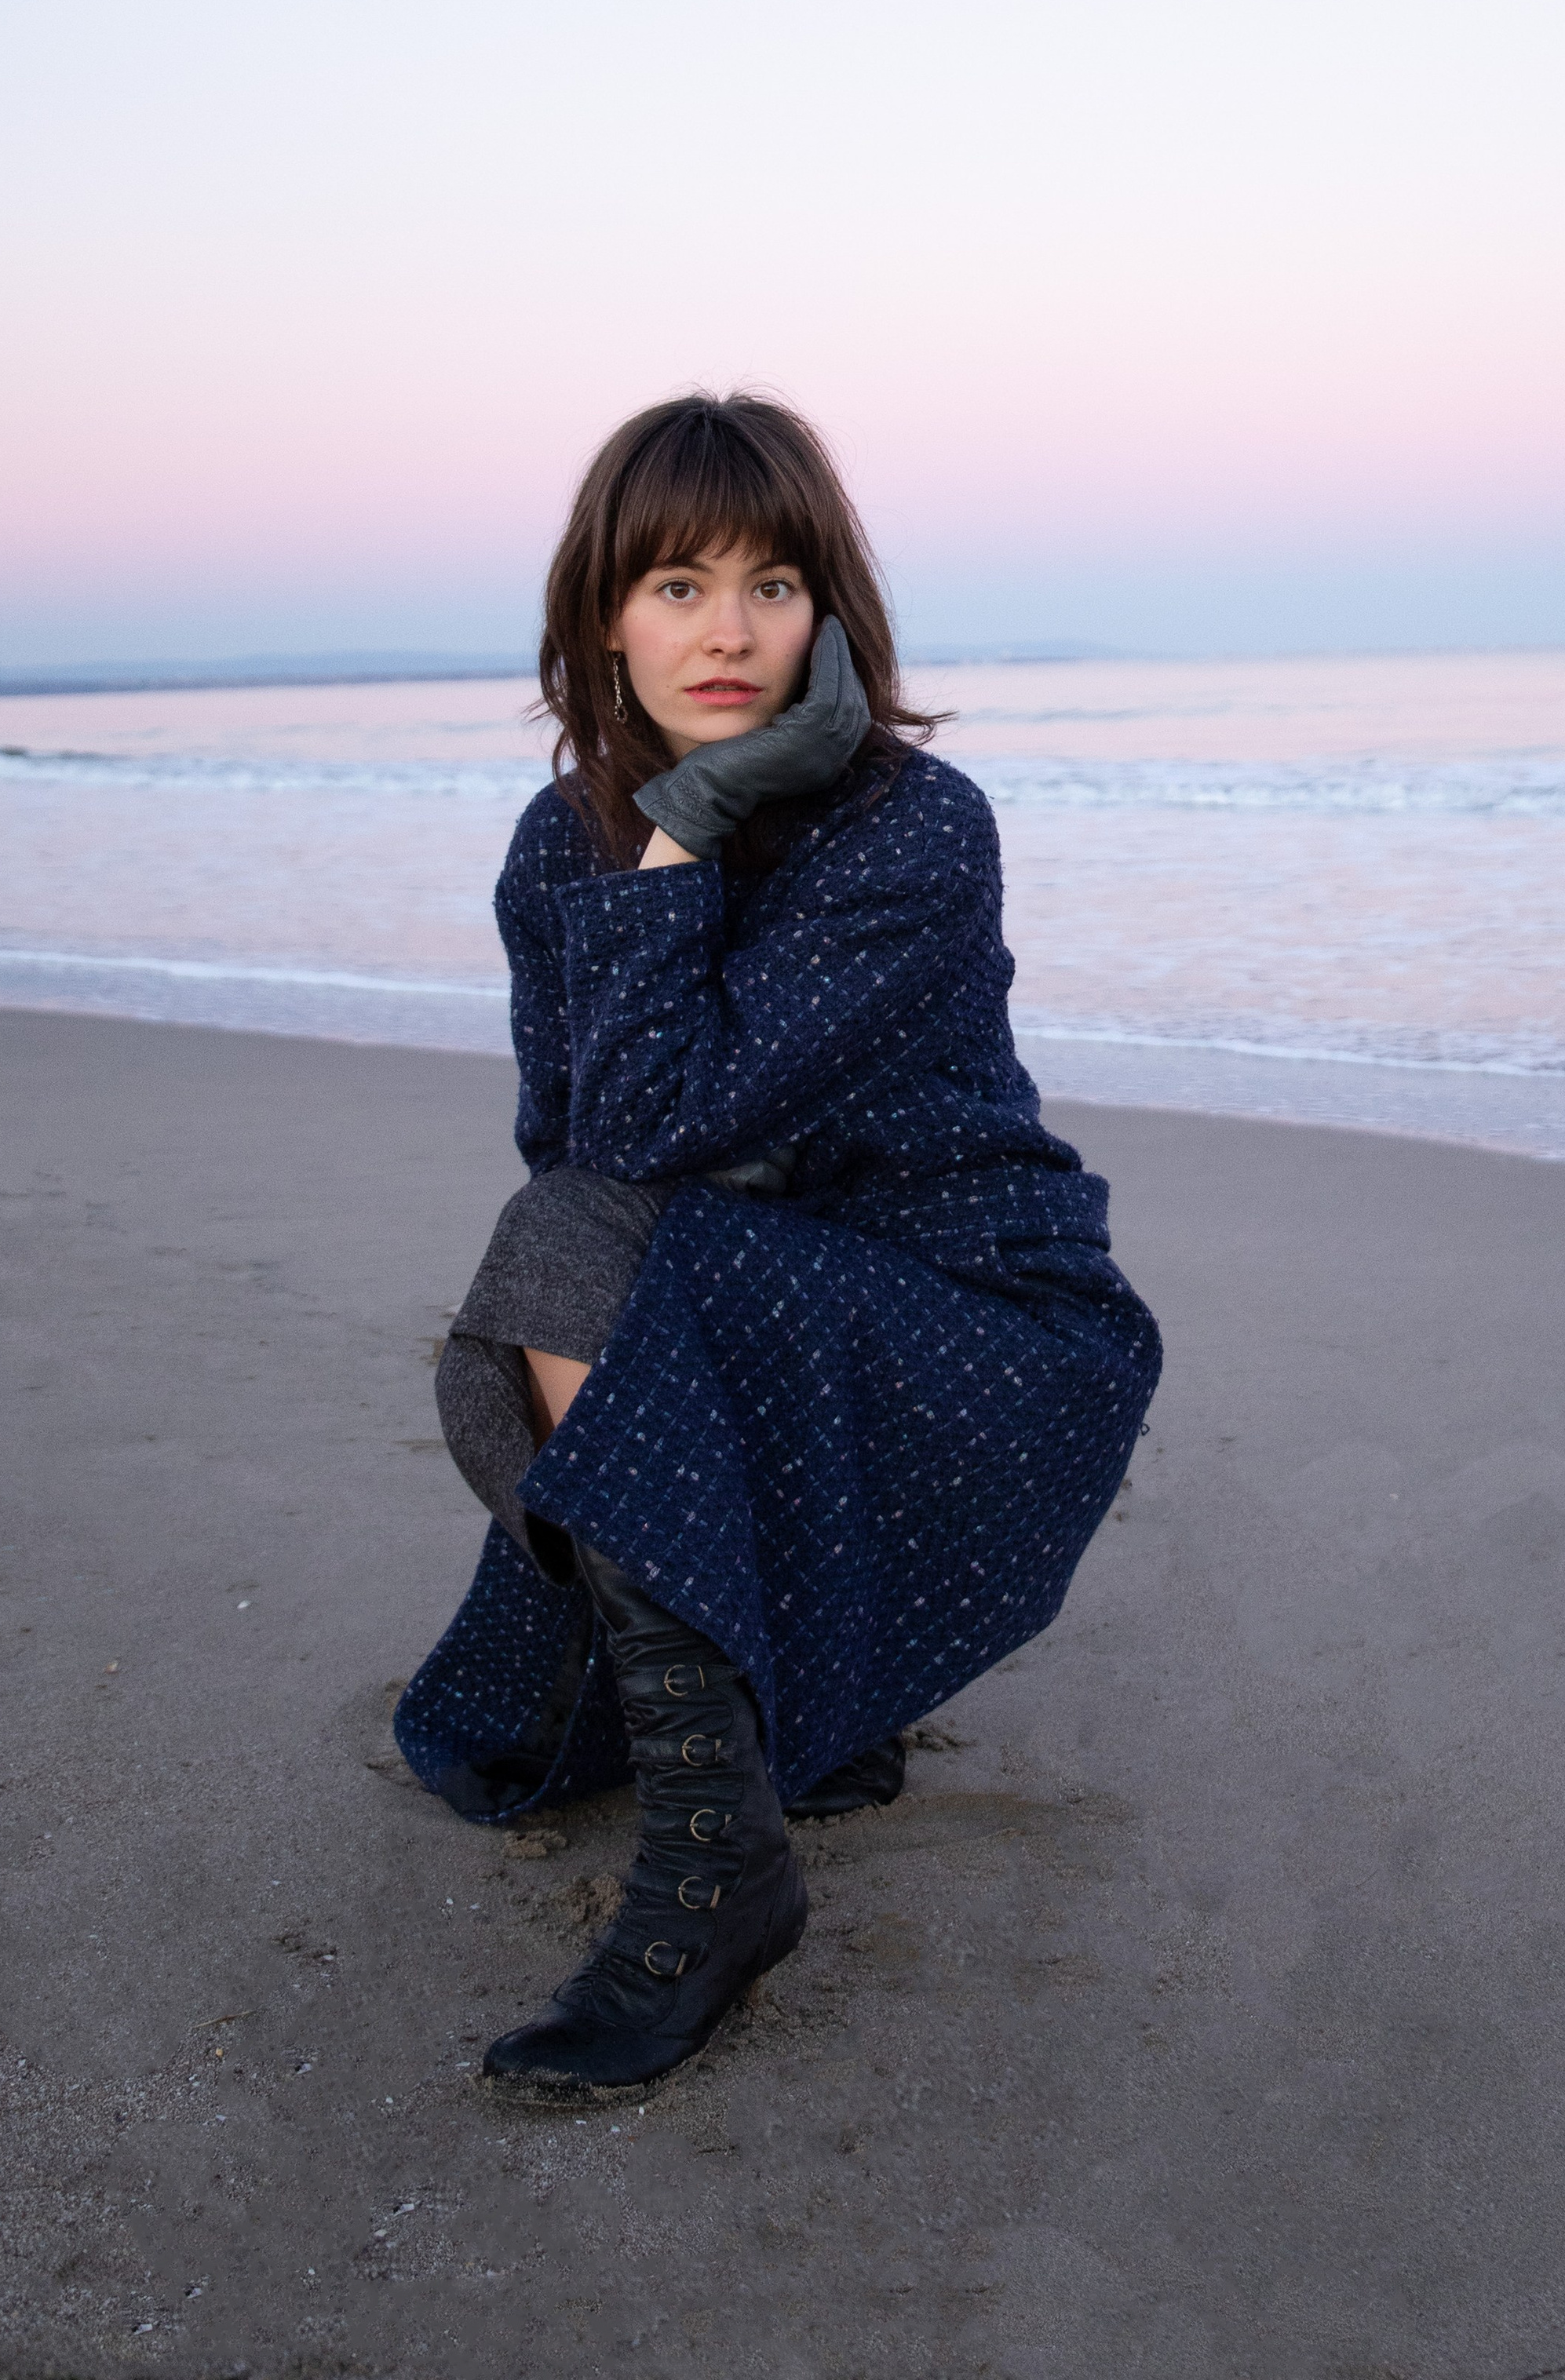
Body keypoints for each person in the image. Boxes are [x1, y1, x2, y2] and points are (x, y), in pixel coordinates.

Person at [397, 392, 1162, 2092]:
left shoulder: (913, 822)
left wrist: (688, 826)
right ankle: (761, 1755)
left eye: (770, 583)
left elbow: (647, 1137)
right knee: (563, 1251)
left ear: (830, 611)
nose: (727, 630)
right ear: (602, 611)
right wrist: (655, 835)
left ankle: (712, 1866)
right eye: (674, 584)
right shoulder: (554, 843)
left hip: (979, 1326)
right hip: (762, 1314)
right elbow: (577, 1142)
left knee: (580, 1245)